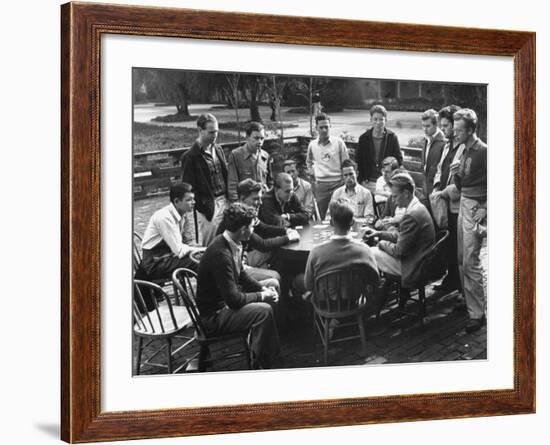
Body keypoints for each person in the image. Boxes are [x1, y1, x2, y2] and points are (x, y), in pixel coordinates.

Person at [196, 203, 282, 369]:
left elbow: (241, 274)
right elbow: (234, 300)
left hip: (227, 301)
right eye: (251, 226)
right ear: (243, 229)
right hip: (214, 315)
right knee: (264, 311)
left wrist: (262, 289)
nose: (253, 229)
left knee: (272, 283)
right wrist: (262, 296)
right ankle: (263, 361)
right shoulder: (221, 254)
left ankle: (267, 344)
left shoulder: (233, 242)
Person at [365, 173, 435, 292]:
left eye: (395, 196)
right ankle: (379, 292)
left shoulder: (411, 215)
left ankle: (371, 297)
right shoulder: (416, 206)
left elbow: (398, 251)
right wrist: (379, 234)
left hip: (414, 266)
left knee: (368, 253)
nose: (393, 200)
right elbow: (403, 237)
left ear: (406, 194)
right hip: (419, 258)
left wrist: (381, 243)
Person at [216, 179, 300, 273]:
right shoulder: (240, 217)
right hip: (234, 266)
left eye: (260, 198)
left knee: (272, 257)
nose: (260, 202)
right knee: (274, 261)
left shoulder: (245, 211)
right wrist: (288, 237)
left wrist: (285, 230)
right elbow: (262, 245)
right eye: (256, 199)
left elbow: (264, 228)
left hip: (242, 256)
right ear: (242, 198)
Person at [453, 108, 487, 332]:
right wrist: (456, 174)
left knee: (471, 261)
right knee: (461, 257)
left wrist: (486, 208)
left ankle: (478, 314)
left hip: (475, 207)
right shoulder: (464, 149)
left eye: (459, 130)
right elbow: (461, 184)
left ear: (471, 130)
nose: (455, 134)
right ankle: (469, 302)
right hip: (464, 202)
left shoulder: (484, 151)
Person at [303, 198, 379, 293]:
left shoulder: (316, 252)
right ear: (352, 222)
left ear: (331, 222)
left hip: (325, 303)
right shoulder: (365, 251)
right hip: (354, 302)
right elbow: (375, 281)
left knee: (297, 282)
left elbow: (308, 285)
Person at [137, 183, 204, 281]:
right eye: (189, 200)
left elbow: (188, 241)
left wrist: (202, 250)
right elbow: (179, 251)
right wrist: (201, 250)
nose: (193, 202)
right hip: (155, 262)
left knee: (206, 257)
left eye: (193, 199)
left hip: (169, 256)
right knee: (199, 263)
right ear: (176, 201)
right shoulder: (164, 217)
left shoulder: (183, 215)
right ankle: (206, 293)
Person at [430, 105, 464, 293]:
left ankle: (458, 285)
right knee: (448, 243)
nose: (443, 129)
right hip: (443, 202)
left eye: (446, 126)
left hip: (457, 206)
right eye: (442, 126)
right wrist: (436, 186)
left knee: (457, 246)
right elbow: (439, 170)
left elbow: (462, 183)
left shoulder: (463, 147)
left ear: (455, 125)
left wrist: (444, 192)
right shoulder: (446, 146)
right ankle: (450, 279)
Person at [181, 113, 228, 246]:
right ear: (200, 130)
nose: (215, 135)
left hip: (225, 200)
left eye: (217, 132)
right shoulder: (190, 157)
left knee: (228, 238)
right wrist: (203, 206)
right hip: (209, 206)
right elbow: (187, 188)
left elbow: (225, 174)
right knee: (211, 243)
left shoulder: (218, 149)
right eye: (211, 132)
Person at [306, 113, 349, 219]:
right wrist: (312, 171)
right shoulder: (312, 145)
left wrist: (344, 180)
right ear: (316, 128)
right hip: (321, 186)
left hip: (338, 183)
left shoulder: (338, 143)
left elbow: (346, 162)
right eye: (321, 127)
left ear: (330, 126)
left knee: (340, 214)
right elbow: (308, 161)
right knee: (323, 215)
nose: (324, 130)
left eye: (326, 127)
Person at [357, 104, 403, 193]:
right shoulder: (363, 138)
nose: (378, 122)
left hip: (386, 182)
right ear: (371, 120)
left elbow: (399, 160)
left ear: (386, 120)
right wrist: (362, 180)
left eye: (381, 119)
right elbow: (359, 161)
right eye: (375, 119)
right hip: (368, 182)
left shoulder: (392, 138)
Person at [227, 121, 272, 202]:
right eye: (256, 138)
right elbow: (232, 184)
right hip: (246, 202)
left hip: (263, 201)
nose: (259, 142)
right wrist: (236, 204)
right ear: (247, 137)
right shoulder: (236, 155)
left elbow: (270, 181)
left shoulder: (265, 156)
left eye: (262, 138)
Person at [325, 159, 375, 223]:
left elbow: (369, 218)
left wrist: (353, 221)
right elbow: (329, 216)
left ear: (357, 174)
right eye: (345, 175)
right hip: (340, 228)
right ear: (342, 177)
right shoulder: (337, 193)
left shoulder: (366, 193)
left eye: (351, 174)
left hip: (359, 228)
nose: (348, 178)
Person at [420, 109, 446, 198]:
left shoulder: (444, 142)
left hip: (437, 190)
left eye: (427, 126)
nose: (424, 129)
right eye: (423, 126)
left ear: (436, 125)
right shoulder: (426, 139)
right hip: (425, 188)